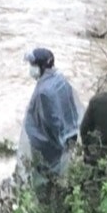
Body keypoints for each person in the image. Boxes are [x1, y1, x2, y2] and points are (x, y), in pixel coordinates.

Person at [19, 48, 82, 181]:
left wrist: (55, 142)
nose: (31, 69)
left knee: (44, 181)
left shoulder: (43, 92)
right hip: (65, 139)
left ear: (41, 67)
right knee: (59, 175)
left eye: (33, 65)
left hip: (47, 147)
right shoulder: (59, 79)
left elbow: (52, 121)